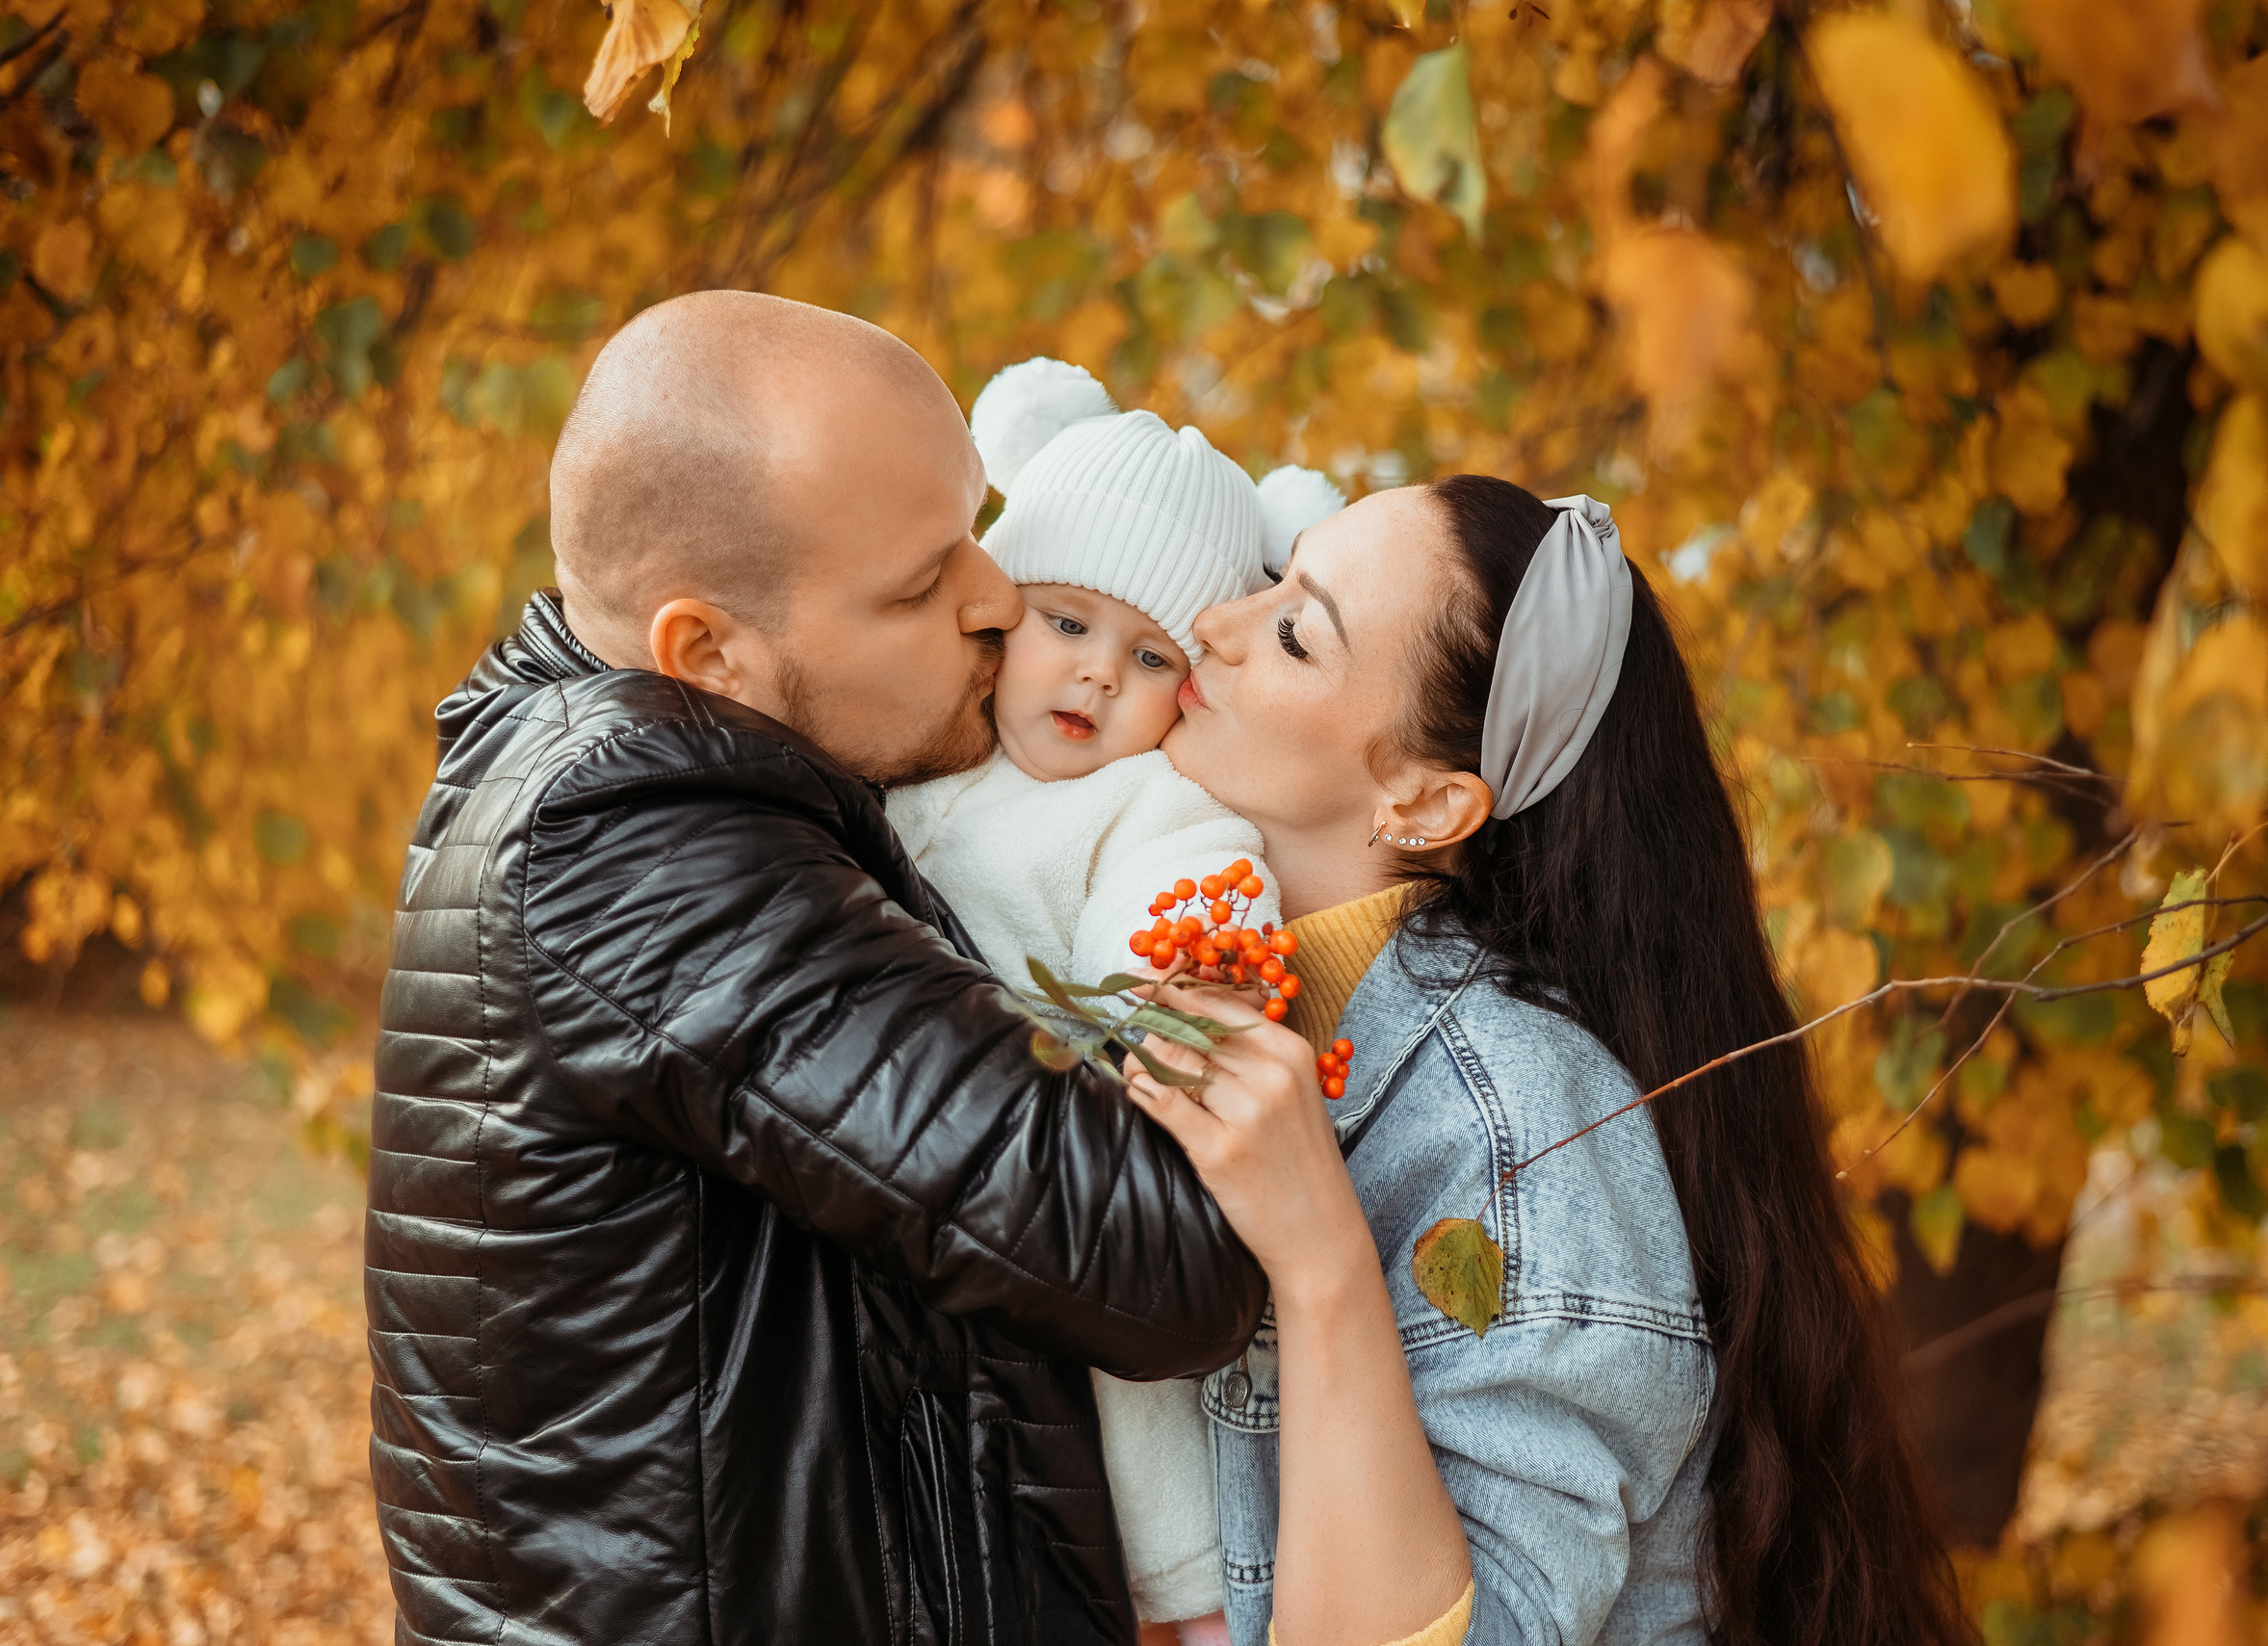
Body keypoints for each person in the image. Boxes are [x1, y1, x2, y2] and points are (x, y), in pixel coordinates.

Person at [364, 291, 1267, 1646]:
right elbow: (1159, 1251)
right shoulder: (634, 851)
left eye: (977, 524)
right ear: (710, 653)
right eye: (922, 581)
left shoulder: (622, 792)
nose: (999, 597)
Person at [1122, 477, 1969, 1645]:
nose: (1213, 623)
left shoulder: (1524, 1124)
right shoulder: (1224, 993)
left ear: (1423, 800)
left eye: (1293, 631)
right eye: (1274, 576)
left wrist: (1320, 1256)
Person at [882, 355, 1338, 1640]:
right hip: (932, 1204)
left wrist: (1166, 984)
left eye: (1149, 657)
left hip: (1081, 1204)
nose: (1092, 677)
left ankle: (1189, 1597)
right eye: (1065, 622)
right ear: (999, 606)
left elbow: (1190, 903)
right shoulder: (917, 761)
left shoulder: (1157, 807)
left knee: (1145, 1494)